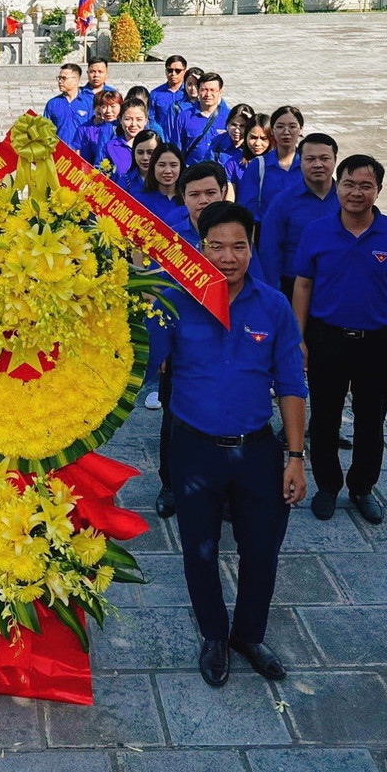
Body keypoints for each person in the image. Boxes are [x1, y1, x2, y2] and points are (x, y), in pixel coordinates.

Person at [167, 201, 307, 688]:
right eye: (216, 246)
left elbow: (291, 384)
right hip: (194, 450)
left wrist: (294, 457)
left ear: (253, 248)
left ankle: (249, 634)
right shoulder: (174, 300)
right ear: (199, 247)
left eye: (239, 246)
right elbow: (140, 359)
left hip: (257, 451)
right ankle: (213, 636)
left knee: (262, 549)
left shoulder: (273, 306)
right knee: (199, 550)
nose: (228, 257)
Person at [293, 155, 387, 527]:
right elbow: (303, 285)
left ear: (378, 189)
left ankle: (362, 487)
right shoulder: (316, 231)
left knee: (371, 422)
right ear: (338, 184)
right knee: (325, 419)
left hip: (377, 343)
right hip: (327, 338)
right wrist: (298, 339)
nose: (356, 192)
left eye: (366, 185)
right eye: (349, 183)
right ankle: (327, 486)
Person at [153, 161, 230, 519]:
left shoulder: (236, 232)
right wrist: (163, 348)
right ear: (183, 198)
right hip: (182, 348)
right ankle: (170, 484)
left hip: (227, 346)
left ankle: (224, 487)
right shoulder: (170, 236)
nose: (202, 201)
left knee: (226, 417)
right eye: (194, 194)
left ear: (223, 192)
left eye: (210, 193)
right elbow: (157, 294)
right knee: (175, 421)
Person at [135, 142, 188, 417]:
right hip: (153, 277)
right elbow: (134, 245)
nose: (168, 171)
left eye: (173, 165)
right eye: (162, 165)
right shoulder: (140, 200)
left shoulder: (189, 199)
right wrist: (144, 283)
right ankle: (154, 382)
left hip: (186, 278)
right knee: (156, 329)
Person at [258, 133, 339, 300]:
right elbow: (269, 250)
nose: (318, 164)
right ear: (300, 162)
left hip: (338, 283)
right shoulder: (283, 201)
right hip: (294, 285)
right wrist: (273, 293)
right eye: (310, 159)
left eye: (324, 158)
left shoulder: (347, 198)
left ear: (335, 160)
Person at [235, 106, 306, 224]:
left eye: (292, 126)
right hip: (267, 233)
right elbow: (247, 207)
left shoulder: (308, 165)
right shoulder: (258, 165)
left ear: (301, 130)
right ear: (272, 131)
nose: (286, 132)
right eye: (280, 126)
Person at [43, 63, 94, 146]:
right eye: (59, 78)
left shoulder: (89, 103)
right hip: (60, 154)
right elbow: (45, 130)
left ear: (76, 80)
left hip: (82, 154)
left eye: (64, 78)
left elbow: (93, 130)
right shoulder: (52, 103)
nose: (60, 81)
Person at [103, 100, 151, 181]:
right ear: (120, 120)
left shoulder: (155, 146)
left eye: (139, 119)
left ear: (146, 121)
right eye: (128, 119)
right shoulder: (110, 147)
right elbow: (101, 177)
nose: (133, 124)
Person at [77, 89, 123, 165]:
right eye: (104, 107)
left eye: (112, 106)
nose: (108, 110)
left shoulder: (127, 128)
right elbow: (86, 160)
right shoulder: (91, 130)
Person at [150, 55, 192, 135]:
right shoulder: (155, 94)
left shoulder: (190, 93)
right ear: (166, 71)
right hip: (163, 137)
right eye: (170, 70)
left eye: (178, 70)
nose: (173, 73)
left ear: (185, 72)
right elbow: (151, 118)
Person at [121, 129, 159, 196]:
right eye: (140, 153)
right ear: (134, 154)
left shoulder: (168, 180)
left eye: (150, 153)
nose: (145, 158)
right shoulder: (125, 181)